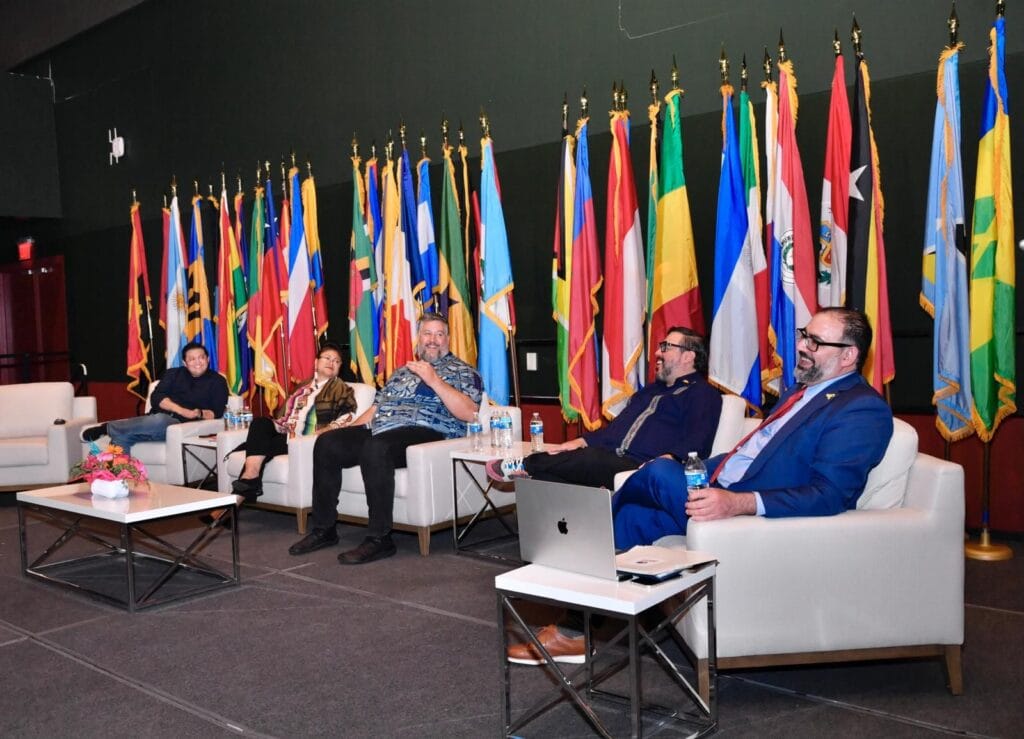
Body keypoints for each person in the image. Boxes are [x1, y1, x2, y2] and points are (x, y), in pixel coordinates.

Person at [507, 307, 894, 666]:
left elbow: (830, 494)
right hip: (714, 487)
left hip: (748, 515)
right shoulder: (798, 392)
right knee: (633, 516)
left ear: (849, 355)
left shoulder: (860, 408)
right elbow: (748, 457)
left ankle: (569, 550)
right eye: (804, 336)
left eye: (816, 342)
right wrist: (695, 469)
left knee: (658, 473)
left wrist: (739, 503)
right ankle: (574, 631)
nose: (803, 347)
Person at [288, 313, 482, 564]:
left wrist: (434, 381)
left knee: (376, 447)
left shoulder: (464, 371)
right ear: (419, 338)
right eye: (427, 333)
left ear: (447, 339)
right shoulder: (402, 372)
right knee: (328, 443)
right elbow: (375, 409)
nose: (433, 340)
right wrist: (345, 433)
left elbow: (470, 413)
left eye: (439, 334)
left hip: (426, 432)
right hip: (383, 429)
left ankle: (380, 539)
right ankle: (323, 530)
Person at [485, 328, 721, 490]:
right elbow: (615, 429)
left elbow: (698, 440)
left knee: (589, 458)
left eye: (666, 347)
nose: (658, 352)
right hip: (609, 458)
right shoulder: (648, 392)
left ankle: (525, 463)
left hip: (642, 465)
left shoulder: (703, 394)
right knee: (547, 474)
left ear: (688, 357)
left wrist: (665, 461)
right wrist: (579, 441)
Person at [229, 342, 356, 501]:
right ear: (316, 362)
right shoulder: (301, 387)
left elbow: (349, 415)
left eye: (336, 361)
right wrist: (276, 426)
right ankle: (250, 480)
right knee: (260, 423)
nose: (332, 363)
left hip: (305, 440)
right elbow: (286, 417)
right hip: (287, 433)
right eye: (328, 358)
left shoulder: (342, 389)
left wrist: (327, 429)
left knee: (260, 447)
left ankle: (235, 498)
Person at [82, 341, 228, 453]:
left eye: (201, 358)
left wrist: (199, 413)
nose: (198, 362)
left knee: (160, 420)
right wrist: (182, 410)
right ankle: (120, 478)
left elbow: (216, 412)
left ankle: (107, 428)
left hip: (182, 426)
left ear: (208, 359)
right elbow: (157, 397)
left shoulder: (218, 381)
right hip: (153, 423)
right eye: (192, 359)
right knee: (122, 436)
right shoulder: (173, 374)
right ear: (185, 362)